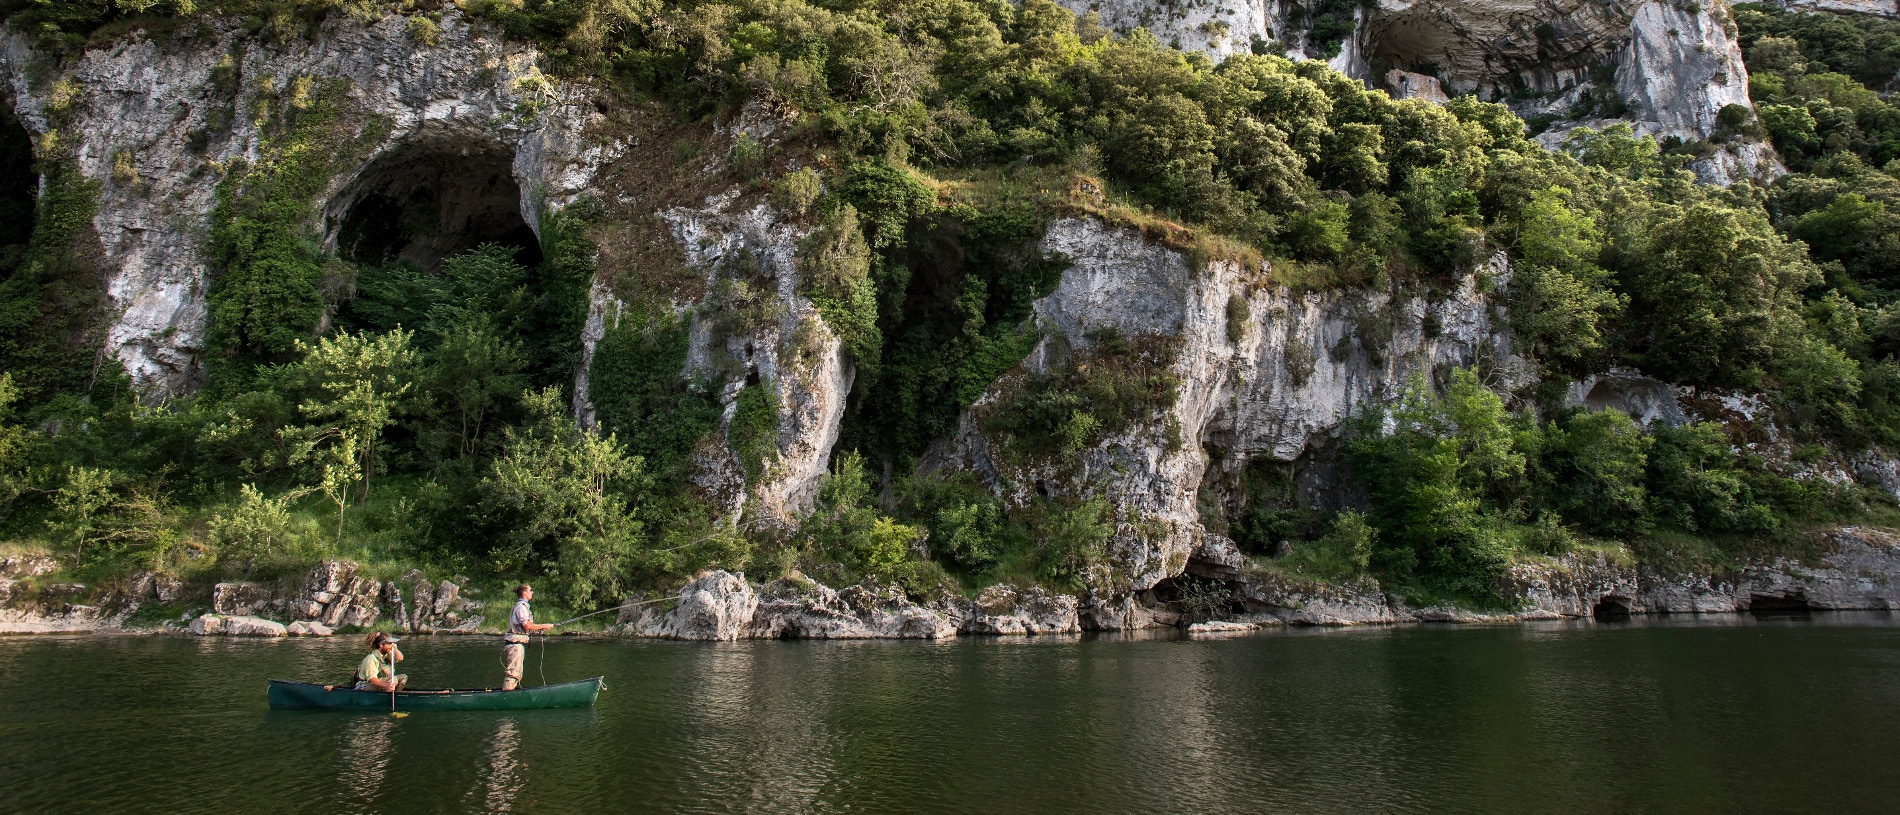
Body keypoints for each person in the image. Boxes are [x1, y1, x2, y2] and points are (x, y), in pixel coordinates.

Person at [502, 583, 553, 690]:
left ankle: (509, 694)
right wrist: (544, 625)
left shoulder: (523, 607)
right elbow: (527, 625)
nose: (532, 592)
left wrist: (540, 628)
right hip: (515, 645)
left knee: (516, 674)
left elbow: (526, 627)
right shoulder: (520, 607)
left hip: (517, 645)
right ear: (524, 593)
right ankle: (505, 697)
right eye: (530, 590)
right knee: (513, 674)